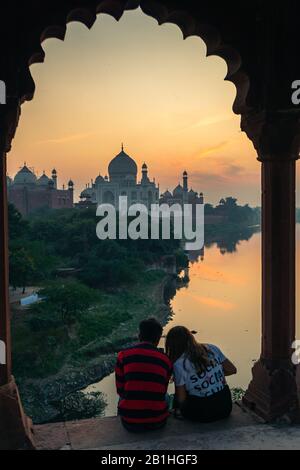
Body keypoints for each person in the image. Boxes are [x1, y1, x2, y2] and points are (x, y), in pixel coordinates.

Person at [165, 326, 237, 423]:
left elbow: (181, 399)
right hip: (225, 407)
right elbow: (232, 370)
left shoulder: (179, 364)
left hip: (201, 413)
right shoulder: (212, 348)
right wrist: (211, 374)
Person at [115, 317, 172, 432]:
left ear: (139, 335)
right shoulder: (165, 360)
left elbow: (120, 390)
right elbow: (162, 390)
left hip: (130, 423)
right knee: (167, 397)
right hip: (158, 422)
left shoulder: (123, 356)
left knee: (123, 396)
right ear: (157, 339)